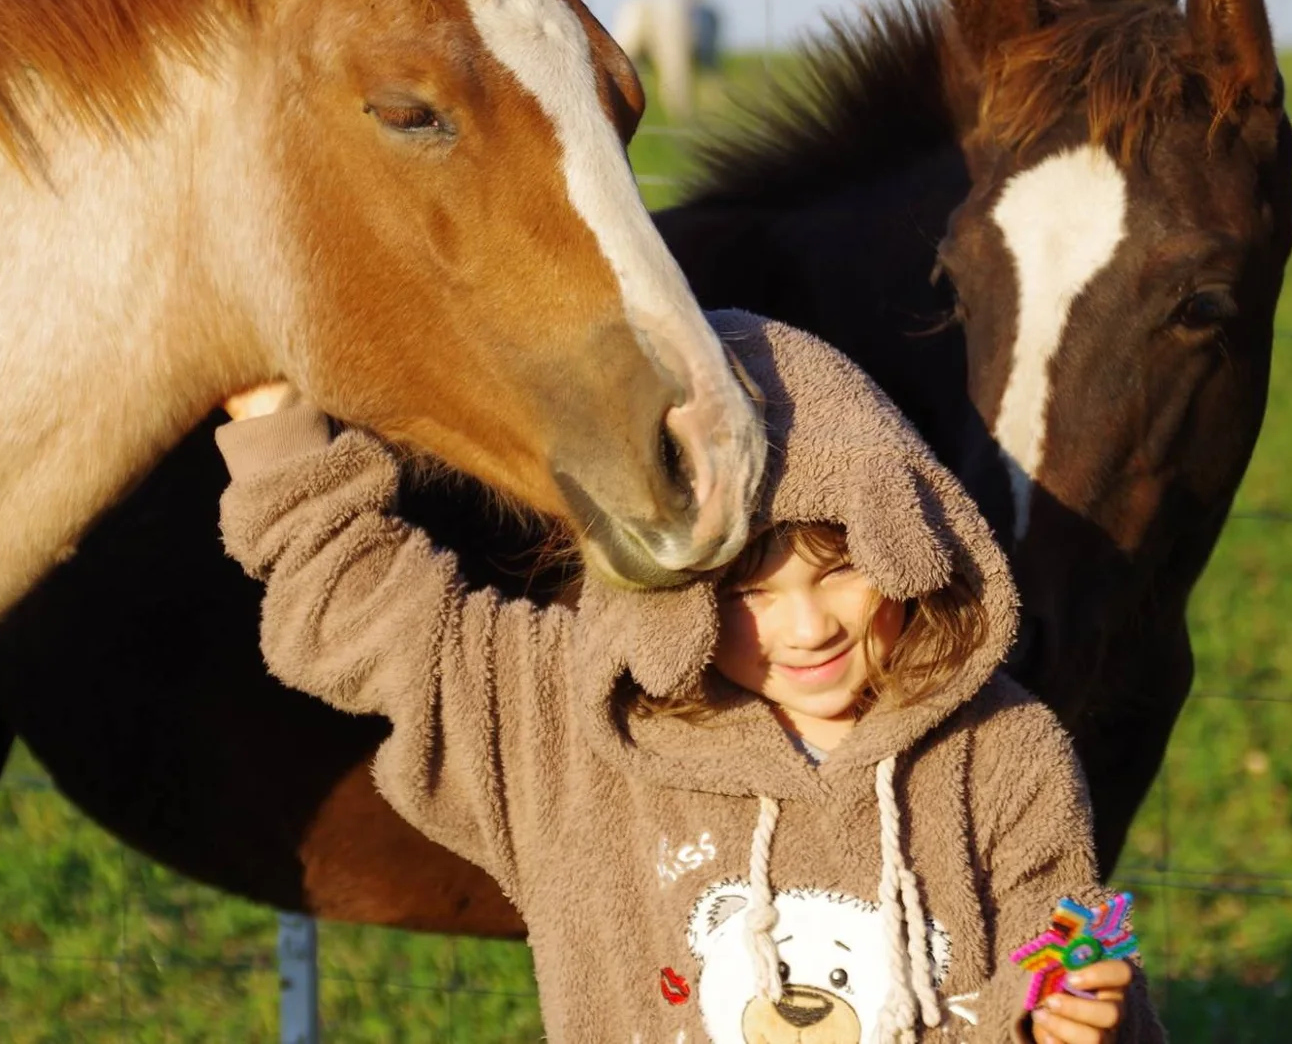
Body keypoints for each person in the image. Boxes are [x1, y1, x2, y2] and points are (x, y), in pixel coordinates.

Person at [218, 311, 1162, 1043]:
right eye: (748, 589)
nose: (807, 626)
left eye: (840, 567)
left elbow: (1055, 976)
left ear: (904, 536)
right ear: (672, 591)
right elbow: (371, 608)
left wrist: (1074, 1019)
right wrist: (274, 422)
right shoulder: (567, 731)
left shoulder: (1003, 756)